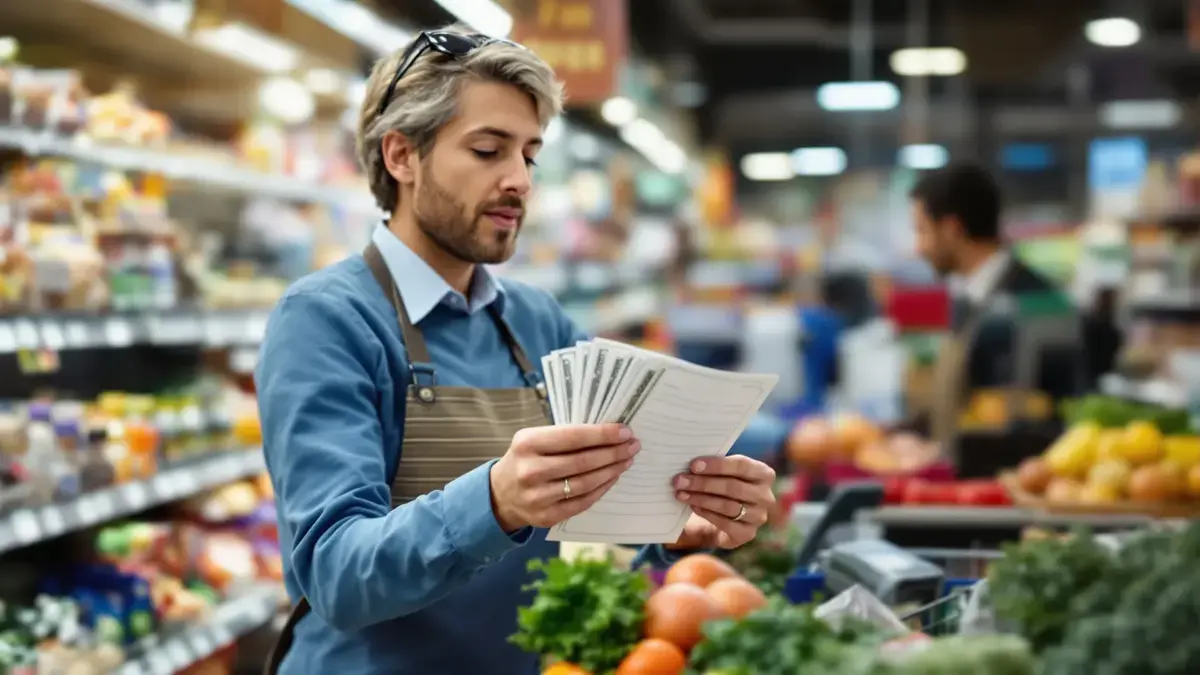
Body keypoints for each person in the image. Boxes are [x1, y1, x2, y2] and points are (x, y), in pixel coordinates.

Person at [254, 26, 778, 675]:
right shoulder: (327, 320)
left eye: (528, 155)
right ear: (401, 156)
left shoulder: (536, 320)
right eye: (487, 150)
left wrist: (675, 520)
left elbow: (593, 515)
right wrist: (495, 499)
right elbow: (336, 573)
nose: (519, 180)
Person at [909, 162, 1082, 457]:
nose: (918, 248)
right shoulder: (968, 298)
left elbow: (1037, 422)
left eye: (922, 231)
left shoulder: (1035, 303)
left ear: (952, 229)